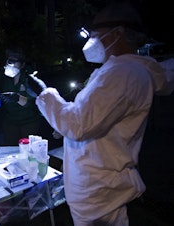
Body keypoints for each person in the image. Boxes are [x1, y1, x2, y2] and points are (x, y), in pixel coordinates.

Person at [29, 2, 174, 225]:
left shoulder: (122, 73)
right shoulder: (119, 70)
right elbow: (89, 117)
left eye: (96, 34)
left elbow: (78, 125)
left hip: (98, 192)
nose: (91, 40)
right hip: (97, 187)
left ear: (118, 34)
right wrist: (64, 119)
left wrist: (45, 94)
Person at [0, 47, 43, 146]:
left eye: (14, 61)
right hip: (10, 120)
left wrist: (18, 98)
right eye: (9, 61)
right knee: (10, 148)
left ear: (22, 65)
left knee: (27, 148)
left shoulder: (29, 79)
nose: (11, 65)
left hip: (29, 120)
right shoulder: (1, 75)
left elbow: (37, 103)